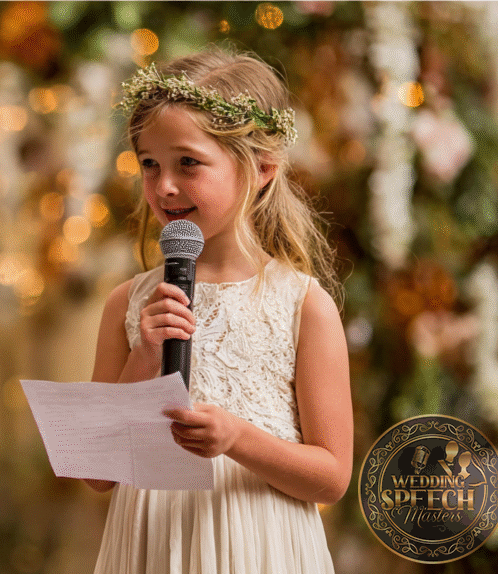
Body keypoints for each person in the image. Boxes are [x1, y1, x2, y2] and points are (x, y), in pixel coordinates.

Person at [86, 49, 352, 573]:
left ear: (262, 169)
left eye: (188, 162)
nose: (164, 186)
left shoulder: (303, 306)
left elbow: (333, 474)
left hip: (260, 545)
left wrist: (238, 438)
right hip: (152, 546)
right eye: (149, 164)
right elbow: (97, 473)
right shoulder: (129, 303)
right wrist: (145, 355)